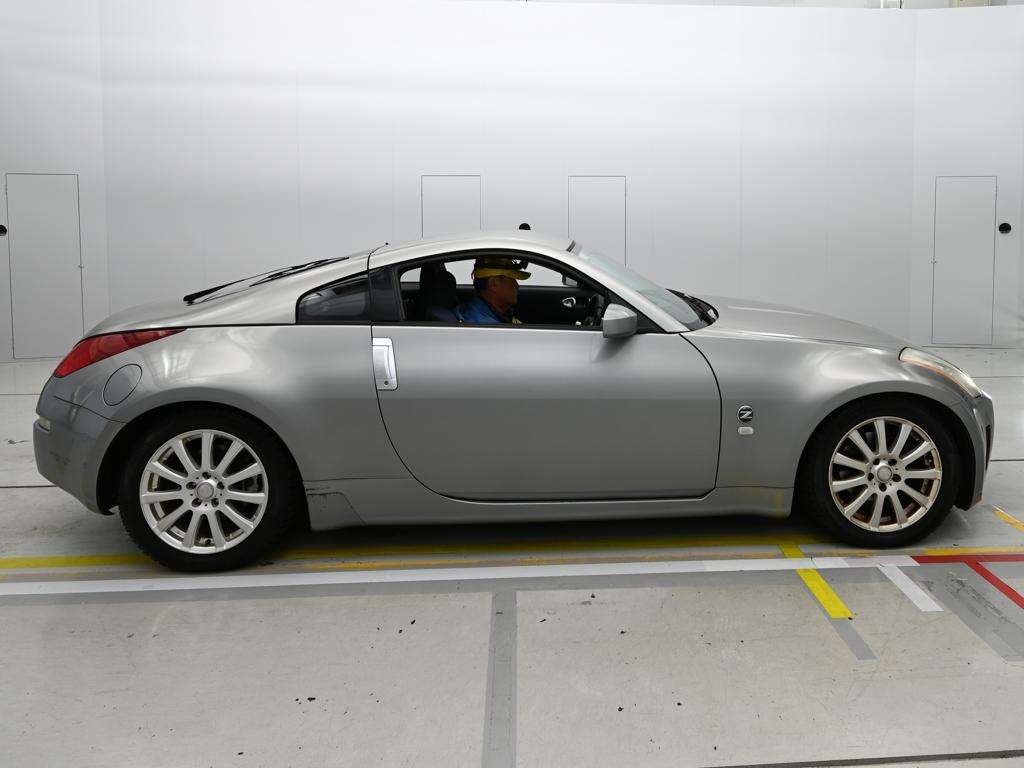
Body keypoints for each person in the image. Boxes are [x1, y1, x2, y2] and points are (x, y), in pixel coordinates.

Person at [455, 256, 530, 324]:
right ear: (494, 284)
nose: (517, 285)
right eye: (512, 279)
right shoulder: (483, 325)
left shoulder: (479, 312)